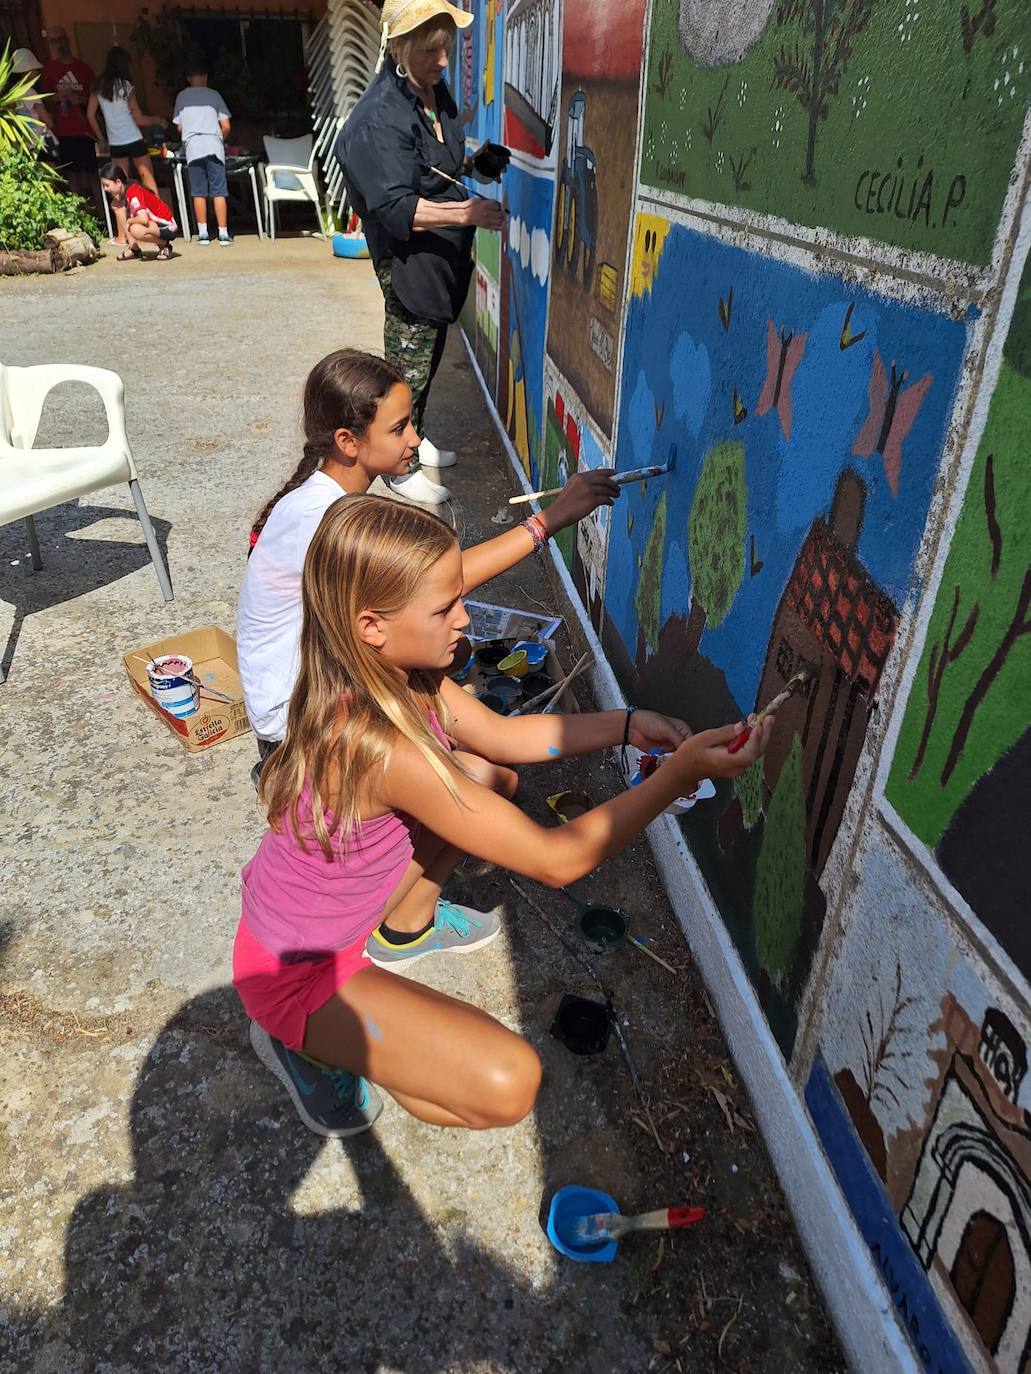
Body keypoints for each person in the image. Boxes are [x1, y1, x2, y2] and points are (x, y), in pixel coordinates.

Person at [234, 494, 773, 1136]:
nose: (465, 618)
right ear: (372, 625)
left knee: (490, 776)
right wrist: (680, 775)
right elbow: (557, 859)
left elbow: (505, 738)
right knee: (508, 1084)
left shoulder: (404, 677)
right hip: (293, 972)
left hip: (310, 919)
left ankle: (398, 939)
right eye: (444, 608)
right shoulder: (382, 749)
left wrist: (626, 726)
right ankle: (310, 1044)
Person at [237, 348, 619, 763]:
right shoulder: (321, 518)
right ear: (348, 442)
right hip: (296, 725)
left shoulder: (327, 500)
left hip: (307, 693)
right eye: (399, 428)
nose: (415, 439)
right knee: (466, 712)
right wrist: (552, 519)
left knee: (455, 652)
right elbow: (444, 579)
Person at [335, 0, 512, 505]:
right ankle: (395, 467)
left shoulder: (432, 93)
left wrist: (477, 165)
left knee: (430, 356)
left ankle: (417, 437)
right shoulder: (376, 120)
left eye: (446, 49)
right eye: (430, 50)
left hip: (441, 260)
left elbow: (438, 167)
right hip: (408, 262)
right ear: (399, 48)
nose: (442, 61)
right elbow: (397, 208)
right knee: (404, 369)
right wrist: (467, 214)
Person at [87, 47, 164, 227]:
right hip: (134, 138)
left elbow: (90, 115)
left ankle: (127, 228)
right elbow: (139, 118)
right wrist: (158, 120)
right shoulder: (125, 86)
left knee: (120, 187)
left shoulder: (98, 87)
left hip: (115, 142)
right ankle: (158, 220)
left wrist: (101, 137)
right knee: (147, 178)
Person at [172, 56, 233, 247]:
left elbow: (179, 127)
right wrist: (218, 137)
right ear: (205, 76)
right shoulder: (214, 95)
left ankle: (203, 233)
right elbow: (226, 125)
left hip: (193, 147)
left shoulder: (182, 97)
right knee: (219, 191)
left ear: (188, 77)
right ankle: (223, 234)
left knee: (198, 191)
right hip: (214, 146)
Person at [40, 25, 100, 209]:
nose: (59, 44)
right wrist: (57, 97)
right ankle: (80, 215)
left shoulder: (84, 69)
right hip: (63, 132)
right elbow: (42, 99)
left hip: (85, 131)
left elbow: (96, 97)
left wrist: (79, 99)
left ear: (68, 40)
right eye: (54, 41)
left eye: (61, 39)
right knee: (71, 174)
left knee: (92, 174)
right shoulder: (50, 70)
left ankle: (101, 213)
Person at [99, 162, 178, 261]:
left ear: (118, 182)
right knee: (116, 205)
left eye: (107, 185)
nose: (105, 189)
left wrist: (129, 221)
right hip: (154, 224)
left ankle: (164, 244)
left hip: (168, 226)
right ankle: (134, 248)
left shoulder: (133, 192)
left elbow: (143, 219)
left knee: (135, 229)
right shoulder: (126, 192)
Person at [10, 48, 57, 160]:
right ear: (28, 71)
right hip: (41, 142)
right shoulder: (31, 93)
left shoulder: (12, 94)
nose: (37, 72)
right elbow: (48, 121)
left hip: (25, 144)